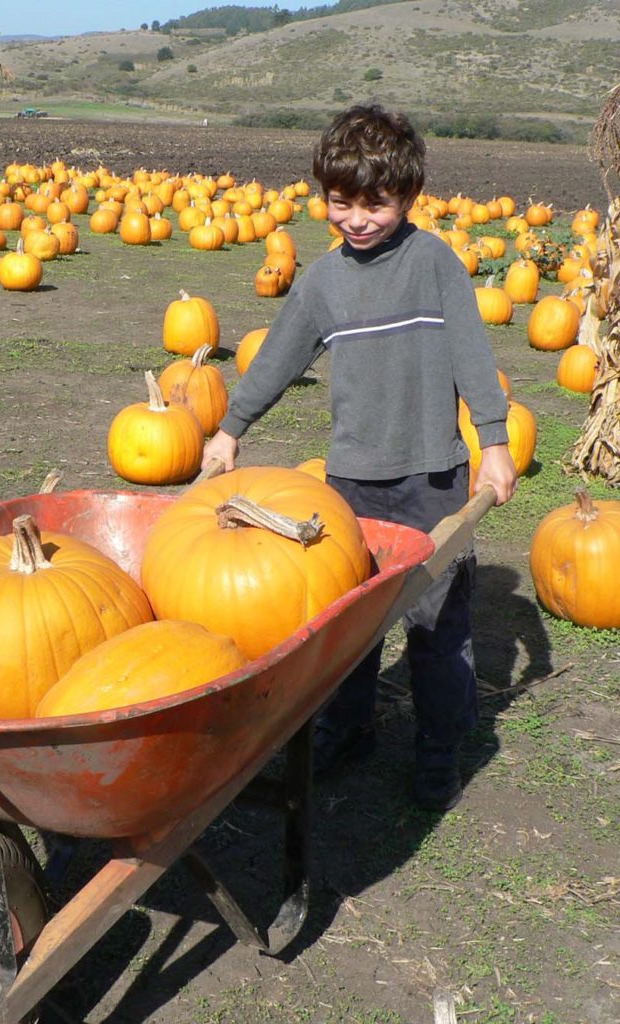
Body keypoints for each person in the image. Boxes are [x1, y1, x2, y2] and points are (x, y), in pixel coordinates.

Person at [202, 104, 517, 811]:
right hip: (349, 483)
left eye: (376, 203)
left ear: (408, 195)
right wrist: (230, 428)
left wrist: (493, 443)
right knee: (351, 630)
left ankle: (440, 743)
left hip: (433, 479)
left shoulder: (434, 264)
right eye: (341, 202)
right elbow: (278, 358)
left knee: (437, 627)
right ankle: (350, 727)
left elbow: (472, 352)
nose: (358, 219)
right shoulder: (321, 282)